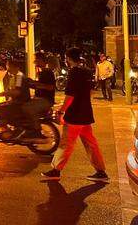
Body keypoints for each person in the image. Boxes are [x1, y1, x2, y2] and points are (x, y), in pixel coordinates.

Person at [41, 48, 109, 182]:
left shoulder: (74, 72)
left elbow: (70, 95)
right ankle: (101, 171)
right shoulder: (87, 71)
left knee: (66, 143)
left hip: (74, 115)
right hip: (85, 114)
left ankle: (55, 170)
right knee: (91, 143)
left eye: (66, 58)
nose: (65, 60)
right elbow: (89, 92)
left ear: (69, 58)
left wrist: (61, 111)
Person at [0, 58, 31, 139]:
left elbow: (16, 92)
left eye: (8, 66)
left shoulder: (19, 76)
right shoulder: (13, 76)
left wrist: (0, 94)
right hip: (15, 101)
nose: (7, 68)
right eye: (7, 66)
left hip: (20, 103)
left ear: (15, 67)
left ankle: (10, 133)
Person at [25, 53, 56, 141]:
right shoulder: (41, 72)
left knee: (27, 108)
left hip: (45, 100)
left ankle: (36, 131)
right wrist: (31, 83)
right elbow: (39, 84)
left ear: (41, 60)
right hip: (40, 99)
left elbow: (50, 87)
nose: (34, 62)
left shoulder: (48, 72)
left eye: (36, 60)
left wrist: (35, 84)